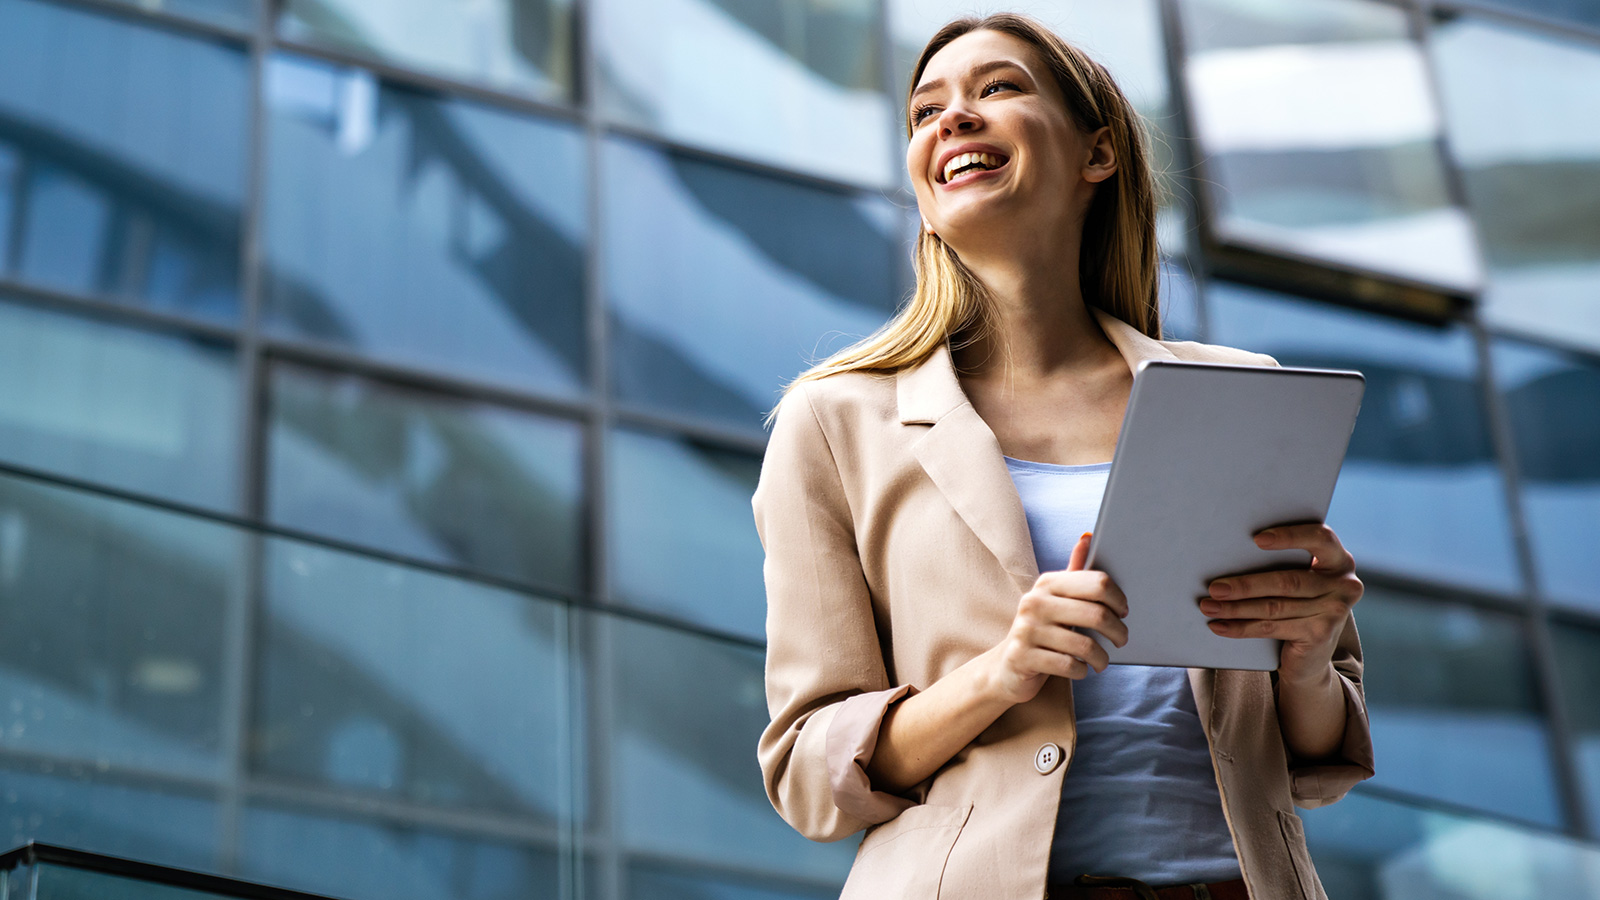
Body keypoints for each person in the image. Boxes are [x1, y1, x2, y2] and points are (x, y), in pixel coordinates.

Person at [753, 13, 1374, 900]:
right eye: (926, 111)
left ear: (1098, 155)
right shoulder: (836, 421)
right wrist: (1002, 673)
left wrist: (1310, 658)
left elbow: (1321, 762)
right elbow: (809, 776)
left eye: (996, 89)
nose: (952, 119)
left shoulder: (1240, 392)